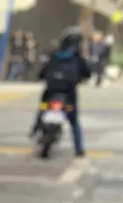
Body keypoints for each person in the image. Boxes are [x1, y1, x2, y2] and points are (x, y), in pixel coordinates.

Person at [32, 27, 91, 157]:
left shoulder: (55, 55)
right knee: (74, 121)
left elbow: (43, 71)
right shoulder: (78, 58)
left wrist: (41, 76)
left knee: (42, 107)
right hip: (69, 93)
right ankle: (79, 148)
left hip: (51, 92)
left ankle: (35, 129)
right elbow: (87, 73)